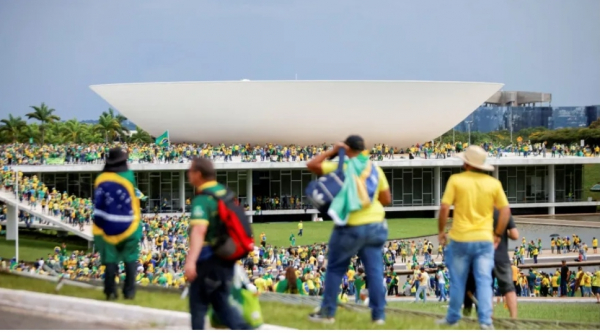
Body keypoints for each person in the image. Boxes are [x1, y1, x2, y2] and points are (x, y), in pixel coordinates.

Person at [306, 135, 391, 325]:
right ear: (363, 149)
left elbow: (312, 165)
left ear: (347, 148)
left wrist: (334, 151)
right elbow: (386, 198)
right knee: (375, 272)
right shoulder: (374, 168)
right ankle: (378, 317)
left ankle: (327, 312)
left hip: (350, 225)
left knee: (336, 268)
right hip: (376, 224)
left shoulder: (343, 167)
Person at [436, 145, 510, 330]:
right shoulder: (494, 184)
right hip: (484, 239)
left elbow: (445, 208)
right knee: (484, 280)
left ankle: (452, 317)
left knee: (458, 280)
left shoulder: (456, 180)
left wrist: (441, 232)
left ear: (466, 163)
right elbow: (505, 211)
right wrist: (498, 234)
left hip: (460, 238)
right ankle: (486, 321)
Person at [184, 157, 252, 330]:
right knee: (221, 303)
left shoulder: (203, 198)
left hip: (208, 257)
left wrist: (191, 261)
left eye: (190, 171)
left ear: (198, 174)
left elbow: (199, 230)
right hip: (226, 256)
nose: (188, 174)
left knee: (198, 305)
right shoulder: (224, 192)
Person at [93, 147, 142, 300]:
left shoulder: (100, 178)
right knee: (130, 258)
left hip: (108, 225)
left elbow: (99, 203)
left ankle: (110, 291)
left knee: (110, 259)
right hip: (129, 225)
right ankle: (129, 292)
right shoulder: (129, 176)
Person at [492, 209, 519, 318]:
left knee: (486, 289)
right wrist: (503, 232)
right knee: (509, 289)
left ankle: (489, 320)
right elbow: (515, 235)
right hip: (501, 257)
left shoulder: (480, 210)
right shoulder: (503, 212)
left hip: (484, 256)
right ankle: (513, 318)